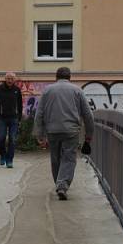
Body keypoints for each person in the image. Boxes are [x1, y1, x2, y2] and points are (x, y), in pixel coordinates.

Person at [34, 67, 94, 200]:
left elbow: (39, 114)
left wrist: (40, 134)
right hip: (71, 131)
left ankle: (59, 183)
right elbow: (88, 115)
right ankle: (62, 185)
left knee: (55, 158)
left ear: (56, 77)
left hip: (52, 130)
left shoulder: (47, 90)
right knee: (69, 157)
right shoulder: (77, 90)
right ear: (69, 77)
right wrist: (88, 136)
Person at [0, 72, 23, 168]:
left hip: (14, 118)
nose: (9, 80)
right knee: (1, 138)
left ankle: (9, 160)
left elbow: (20, 105)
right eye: (8, 78)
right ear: (5, 79)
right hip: (2, 118)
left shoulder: (17, 90)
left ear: (14, 80)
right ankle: (2, 155)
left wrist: (19, 118)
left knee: (12, 139)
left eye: (12, 79)